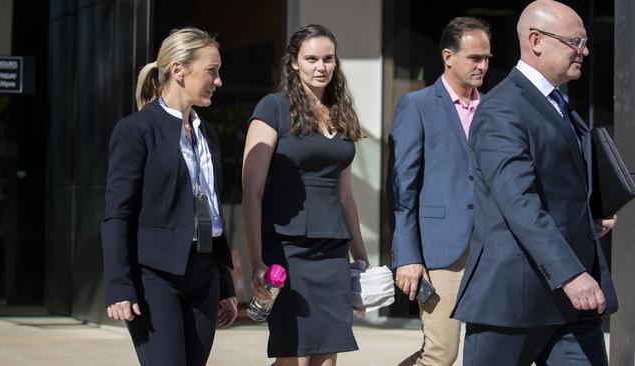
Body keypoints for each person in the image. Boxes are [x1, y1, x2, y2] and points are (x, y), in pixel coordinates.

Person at [451, 1, 618, 365]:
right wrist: (570, 273)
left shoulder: (561, 106)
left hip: (573, 308)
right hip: (512, 301)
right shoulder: (502, 109)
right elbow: (518, 200)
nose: (585, 51)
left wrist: (586, 220)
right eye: (575, 41)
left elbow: (555, 189)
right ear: (536, 41)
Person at [101, 27, 237, 366]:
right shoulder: (136, 130)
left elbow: (211, 209)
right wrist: (119, 284)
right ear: (178, 70)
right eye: (212, 70)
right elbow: (117, 213)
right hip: (154, 277)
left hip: (203, 273)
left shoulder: (207, 134)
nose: (218, 81)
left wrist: (224, 283)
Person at [242, 24, 370, 366]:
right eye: (311, 58)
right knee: (292, 358)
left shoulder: (343, 112)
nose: (321, 66)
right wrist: (256, 261)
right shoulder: (273, 108)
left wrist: (360, 255)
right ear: (294, 62)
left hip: (332, 252)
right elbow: (252, 191)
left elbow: (345, 195)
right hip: (286, 250)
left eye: (328, 58)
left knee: (327, 357)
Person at [388, 17, 492, 366]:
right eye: (475, 58)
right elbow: (403, 188)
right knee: (441, 354)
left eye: (487, 58)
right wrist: (407, 255)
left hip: (491, 249)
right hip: (440, 252)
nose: (483, 65)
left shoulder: (495, 108)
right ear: (448, 56)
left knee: (488, 352)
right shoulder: (416, 106)